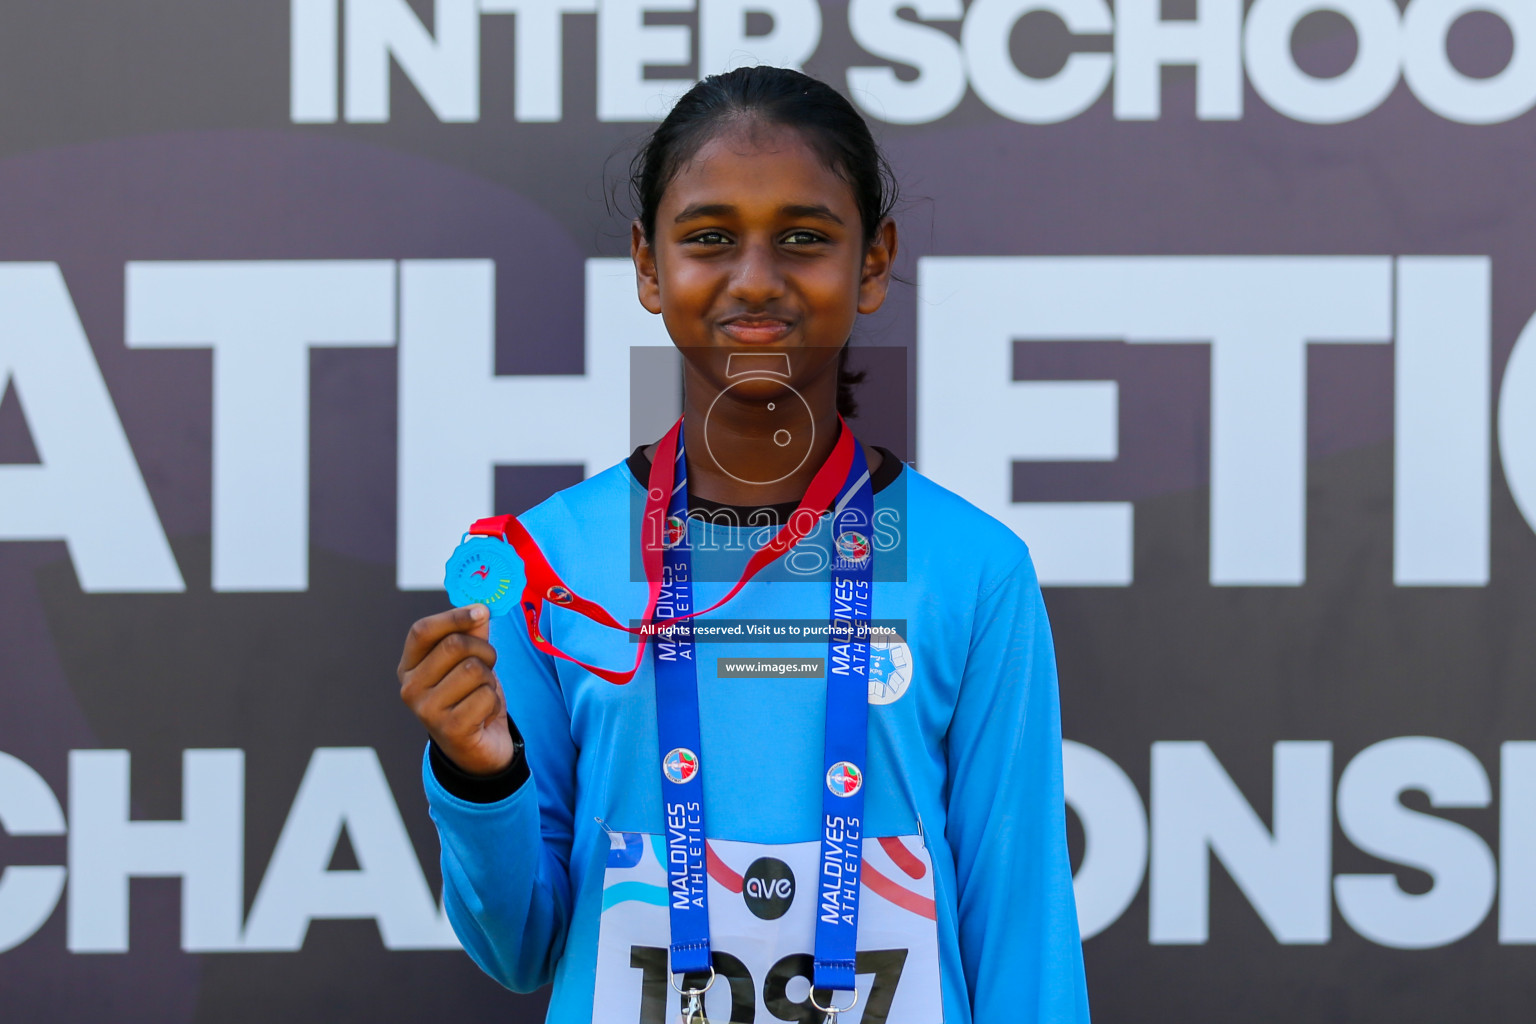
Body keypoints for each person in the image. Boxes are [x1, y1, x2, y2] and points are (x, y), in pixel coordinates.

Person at [397, 66, 1089, 1024]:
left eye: (803, 238)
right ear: (648, 264)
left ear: (874, 263)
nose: (756, 278)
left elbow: (1023, 938)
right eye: (710, 237)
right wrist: (484, 776)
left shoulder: (970, 570)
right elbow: (519, 949)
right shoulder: (549, 565)